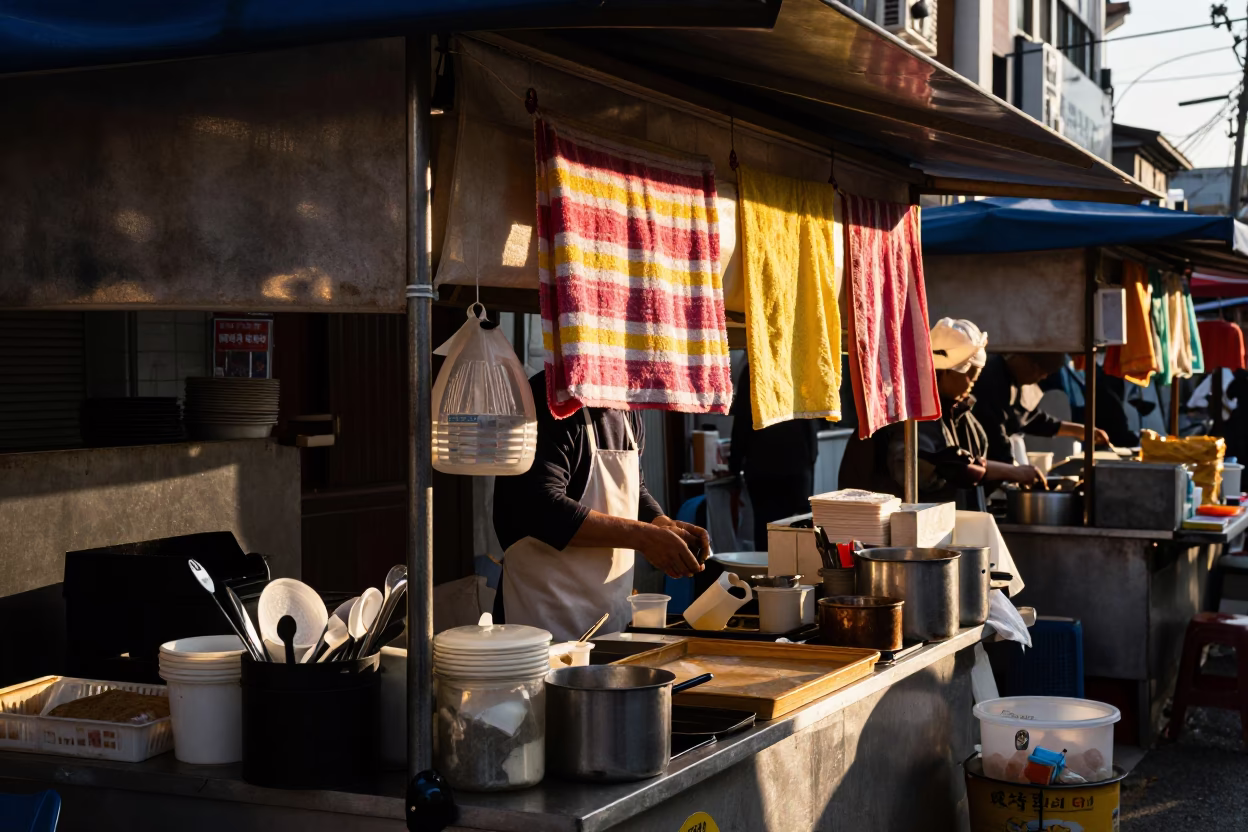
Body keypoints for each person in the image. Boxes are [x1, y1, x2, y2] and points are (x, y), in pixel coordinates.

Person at [492, 371, 711, 642]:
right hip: (540, 622)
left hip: (609, 621)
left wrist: (659, 523)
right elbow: (539, 506)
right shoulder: (546, 398)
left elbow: (633, 488)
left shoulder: (627, 408)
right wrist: (644, 538)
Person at [839, 319, 1048, 503]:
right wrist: (1009, 471)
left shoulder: (962, 415)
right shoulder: (910, 413)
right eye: (969, 373)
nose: (974, 381)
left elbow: (969, 474)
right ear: (944, 371)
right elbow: (928, 468)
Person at [727, 361, 821, 550]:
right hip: (797, 465)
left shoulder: (754, 369)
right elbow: (811, 418)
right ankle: (801, 576)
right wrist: (810, 459)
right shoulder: (798, 366)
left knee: (767, 532)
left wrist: (734, 468)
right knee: (799, 532)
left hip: (763, 468)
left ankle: (770, 576)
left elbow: (742, 423)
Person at [971, 352, 1109, 464]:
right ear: (1021, 357)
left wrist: (1078, 430)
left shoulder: (1016, 380)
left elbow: (1029, 418)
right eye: (1038, 369)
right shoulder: (991, 380)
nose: (1042, 376)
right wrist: (1012, 471)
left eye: (1046, 373)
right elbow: (996, 435)